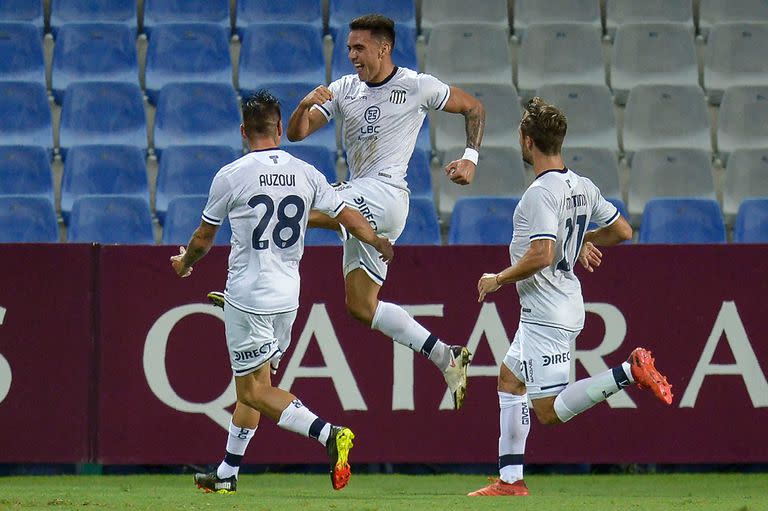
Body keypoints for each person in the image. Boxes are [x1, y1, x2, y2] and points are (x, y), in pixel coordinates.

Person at [170, 90, 394, 493]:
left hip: (248, 295)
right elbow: (346, 214)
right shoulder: (305, 172)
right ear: (278, 127)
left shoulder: (231, 175)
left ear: (243, 131)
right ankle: (227, 472)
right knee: (257, 384)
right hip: (288, 298)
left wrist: (185, 264)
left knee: (252, 390)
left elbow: (204, 239)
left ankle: (329, 434)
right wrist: (376, 240)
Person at [468, 97, 673, 497]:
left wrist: (498, 279)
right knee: (510, 381)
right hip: (549, 306)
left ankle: (629, 372)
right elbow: (623, 232)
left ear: (528, 142)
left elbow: (542, 253)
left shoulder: (539, 193)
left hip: (548, 310)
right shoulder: (582, 186)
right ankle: (511, 480)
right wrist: (580, 240)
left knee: (548, 411)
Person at [286, 13, 486, 409]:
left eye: (359, 48)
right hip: (362, 197)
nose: (352, 56)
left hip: (387, 194)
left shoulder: (415, 86)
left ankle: (258, 290)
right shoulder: (345, 89)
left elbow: (474, 107)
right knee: (360, 306)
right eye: (348, 49)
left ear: (384, 48)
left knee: (292, 207)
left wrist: (470, 158)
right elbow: (296, 133)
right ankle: (445, 355)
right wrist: (305, 103)